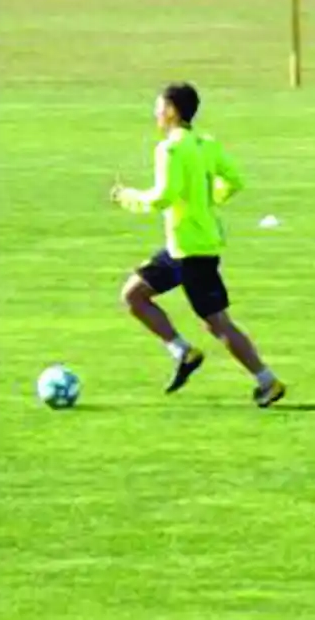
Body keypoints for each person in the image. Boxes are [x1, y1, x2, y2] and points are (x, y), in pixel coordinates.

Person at [111, 82, 286, 408]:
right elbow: (235, 179)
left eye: (159, 106)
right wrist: (208, 202)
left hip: (191, 251)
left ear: (173, 110)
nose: (155, 112)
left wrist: (127, 198)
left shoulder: (170, 149)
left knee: (217, 323)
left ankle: (267, 381)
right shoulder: (207, 144)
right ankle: (183, 352)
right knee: (134, 295)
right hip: (185, 246)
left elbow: (164, 196)